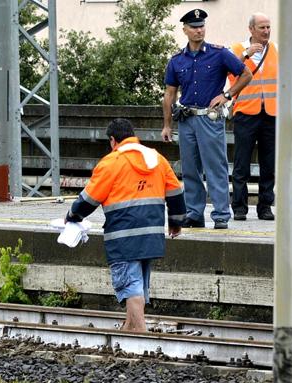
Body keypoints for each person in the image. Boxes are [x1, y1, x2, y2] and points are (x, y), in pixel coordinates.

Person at [65, 118, 185, 331]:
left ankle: (140, 333)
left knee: (130, 285)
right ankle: (129, 327)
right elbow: (175, 191)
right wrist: (176, 223)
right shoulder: (157, 158)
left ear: (113, 140)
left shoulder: (111, 162)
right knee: (138, 283)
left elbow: (89, 199)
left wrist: (72, 216)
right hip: (152, 234)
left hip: (123, 235)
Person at [161, 8, 252, 230]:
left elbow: (246, 74)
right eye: (193, 27)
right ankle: (194, 213)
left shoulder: (219, 53)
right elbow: (169, 94)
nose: (198, 30)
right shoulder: (176, 60)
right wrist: (166, 125)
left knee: (215, 168)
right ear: (185, 30)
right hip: (186, 118)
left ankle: (221, 215)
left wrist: (227, 95)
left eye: (201, 26)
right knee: (190, 169)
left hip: (209, 119)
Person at [227, 12, 277, 221]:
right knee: (241, 163)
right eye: (262, 28)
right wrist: (246, 54)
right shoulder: (237, 49)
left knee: (269, 163)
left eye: (268, 27)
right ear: (251, 30)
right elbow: (229, 71)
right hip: (246, 113)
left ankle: (265, 206)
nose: (266, 31)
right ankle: (239, 207)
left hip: (271, 113)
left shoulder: (274, 49)